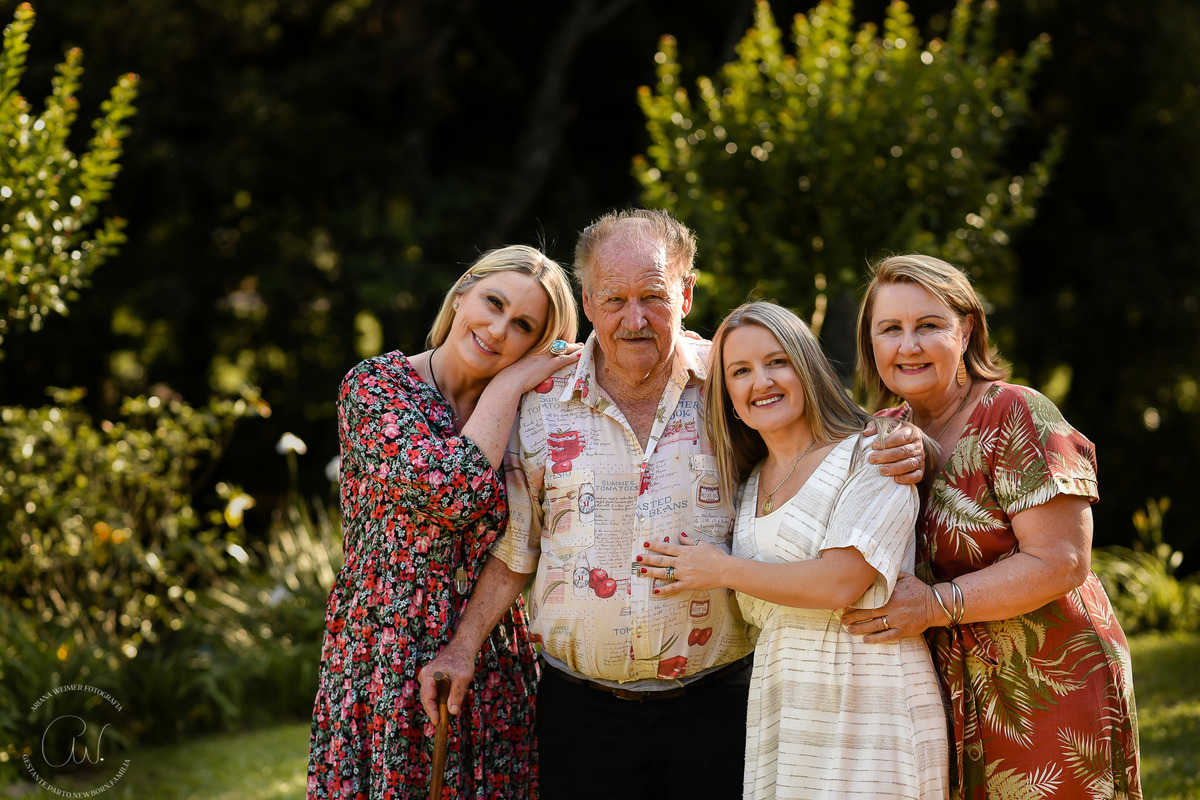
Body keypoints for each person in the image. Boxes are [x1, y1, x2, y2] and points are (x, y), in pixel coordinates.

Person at [418, 209, 925, 800]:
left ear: (686, 293)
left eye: (654, 297)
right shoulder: (542, 400)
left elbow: (820, 438)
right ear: (588, 302)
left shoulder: (733, 382)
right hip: (579, 713)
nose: (634, 320)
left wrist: (903, 439)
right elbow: (516, 550)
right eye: (615, 300)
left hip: (717, 707)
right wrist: (461, 647)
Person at [841, 253, 1141, 799]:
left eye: (928, 325)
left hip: (1045, 682)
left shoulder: (1016, 413)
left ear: (966, 331)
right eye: (890, 329)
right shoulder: (879, 434)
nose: (908, 345)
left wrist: (933, 606)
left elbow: (1063, 560)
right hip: (938, 693)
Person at [641, 301, 949, 799]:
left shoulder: (874, 453)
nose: (761, 381)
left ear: (806, 368)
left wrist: (722, 569)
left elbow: (841, 582)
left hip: (870, 702)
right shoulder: (746, 487)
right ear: (729, 397)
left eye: (777, 361)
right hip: (787, 710)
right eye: (740, 371)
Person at [307, 244, 582, 799]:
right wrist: (506, 385)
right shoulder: (375, 387)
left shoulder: (533, 413)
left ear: (535, 345)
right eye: (493, 302)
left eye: (522, 325)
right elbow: (450, 492)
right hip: (383, 648)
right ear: (462, 294)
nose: (498, 329)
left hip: (491, 653)